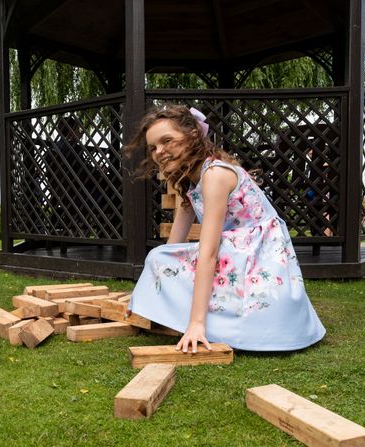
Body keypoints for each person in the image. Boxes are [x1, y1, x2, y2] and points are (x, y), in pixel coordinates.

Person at [125, 104, 326, 353]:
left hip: (258, 256)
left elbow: (209, 253)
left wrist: (197, 323)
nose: (160, 152)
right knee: (158, 257)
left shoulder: (215, 175)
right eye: (153, 147)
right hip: (237, 253)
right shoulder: (190, 179)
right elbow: (173, 246)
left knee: (165, 258)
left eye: (167, 141)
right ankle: (199, 317)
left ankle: (204, 323)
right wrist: (151, 288)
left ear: (193, 136)